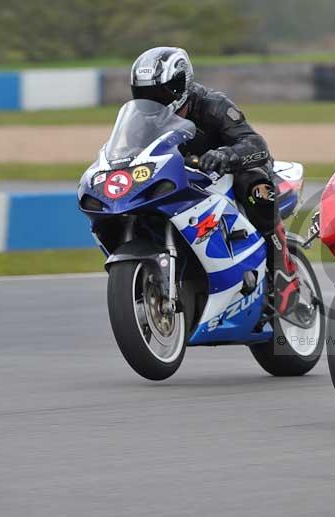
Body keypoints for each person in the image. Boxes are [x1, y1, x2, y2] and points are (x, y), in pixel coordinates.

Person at [129, 46, 302, 317]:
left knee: (256, 187)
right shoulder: (141, 121)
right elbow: (129, 153)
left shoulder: (213, 105)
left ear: (180, 86)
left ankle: (282, 265)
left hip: (233, 172)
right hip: (185, 180)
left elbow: (256, 144)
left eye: (159, 94)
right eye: (145, 95)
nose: (153, 102)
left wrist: (225, 155)